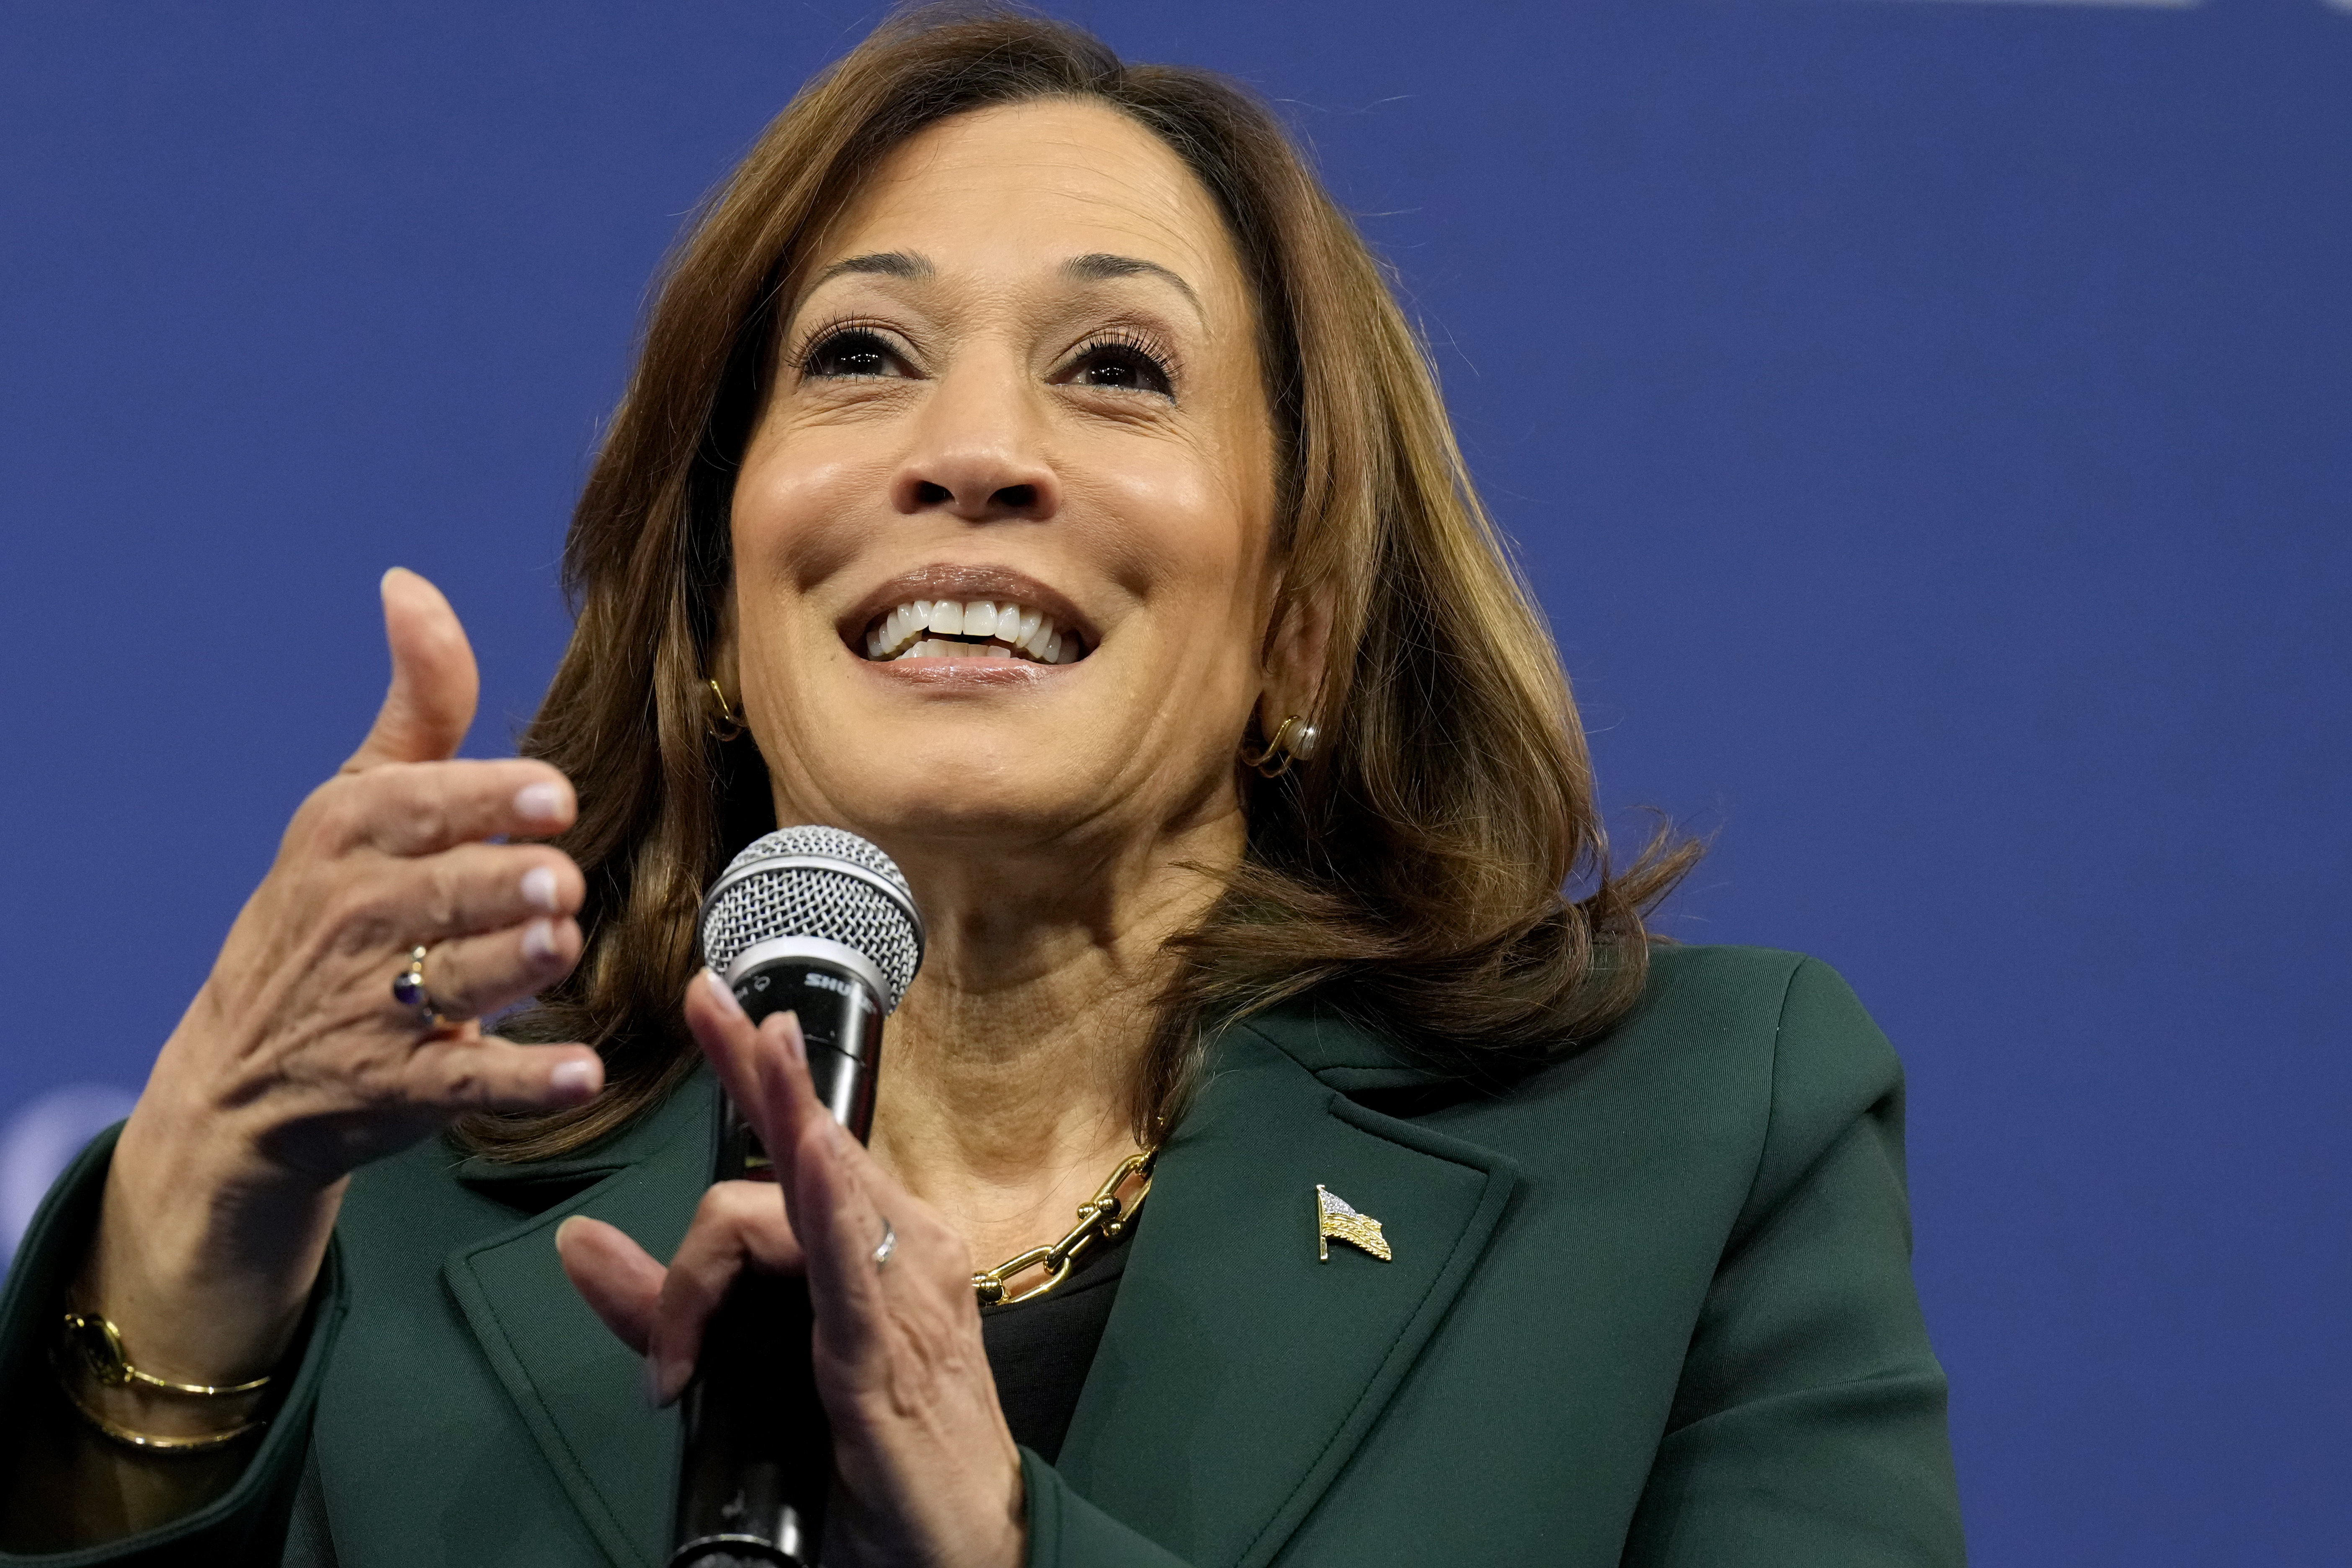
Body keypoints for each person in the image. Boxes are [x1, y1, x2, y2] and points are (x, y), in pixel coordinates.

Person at [0, 9, 1967, 1565]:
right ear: (713, 604)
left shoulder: (1688, 1144)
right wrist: (190, 1222)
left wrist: (1002, 1547)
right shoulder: (396, 1239)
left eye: (1117, 368)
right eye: (862, 355)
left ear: (1297, 621)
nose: (971, 453)